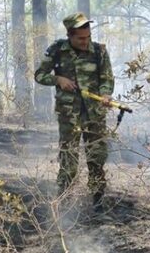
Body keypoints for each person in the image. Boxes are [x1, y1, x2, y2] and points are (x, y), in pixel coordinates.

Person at [34, 13, 115, 211]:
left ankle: (97, 203)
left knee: (96, 158)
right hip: (69, 115)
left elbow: (107, 79)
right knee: (68, 160)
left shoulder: (99, 51)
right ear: (70, 35)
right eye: (80, 38)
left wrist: (105, 95)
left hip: (94, 114)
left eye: (87, 37)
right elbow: (39, 75)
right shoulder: (57, 51)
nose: (85, 41)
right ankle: (65, 205)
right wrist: (58, 80)